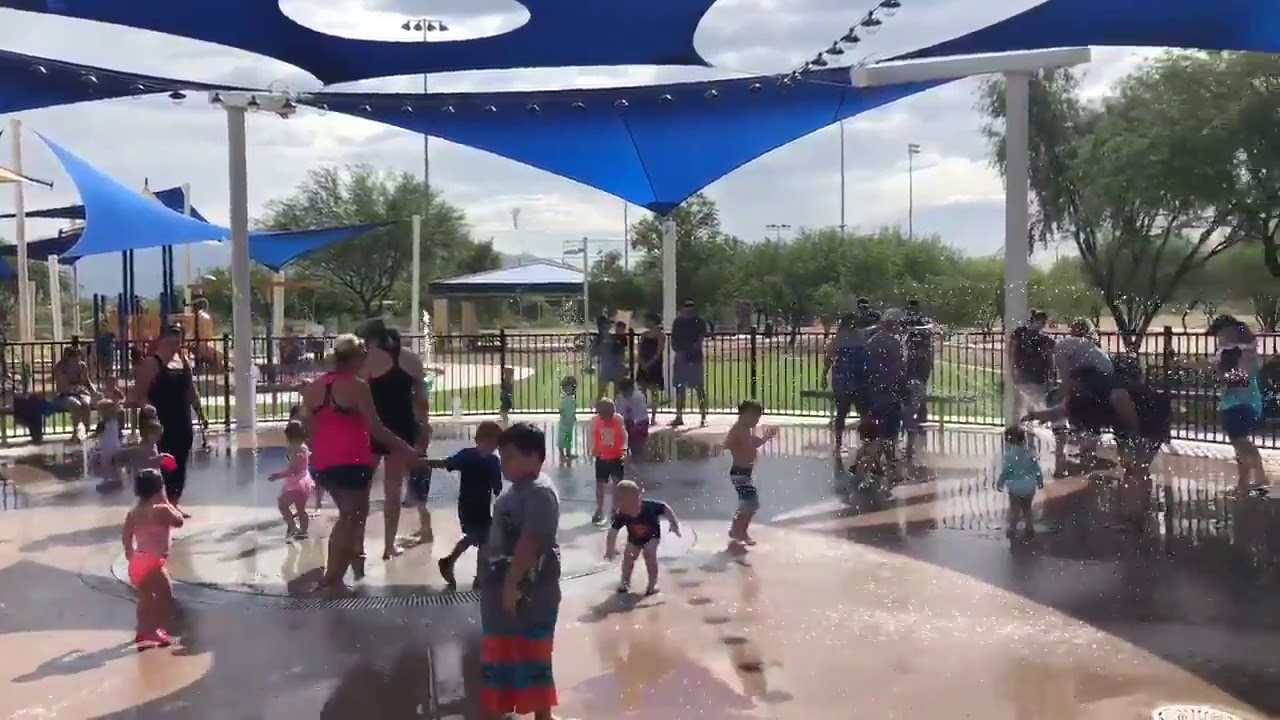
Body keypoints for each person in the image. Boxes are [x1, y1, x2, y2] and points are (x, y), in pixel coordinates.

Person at [299, 334, 417, 592]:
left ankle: (348, 565)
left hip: (324, 462)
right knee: (349, 517)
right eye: (363, 355)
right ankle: (333, 577)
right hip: (352, 460)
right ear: (354, 358)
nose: (366, 359)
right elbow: (377, 429)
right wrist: (406, 448)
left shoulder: (315, 387)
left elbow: (308, 425)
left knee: (352, 515)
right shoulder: (357, 386)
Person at [480, 422, 561, 720]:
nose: (504, 464)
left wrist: (511, 585)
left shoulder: (539, 493)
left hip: (529, 594)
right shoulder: (517, 491)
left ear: (535, 456)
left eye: (510, 456)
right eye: (503, 456)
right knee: (505, 654)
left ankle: (542, 715)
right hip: (507, 593)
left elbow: (531, 542)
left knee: (533, 651)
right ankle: (506, 710)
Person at [1026, 365, 1170, 530]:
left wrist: (1133, 435)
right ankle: (1135, 517)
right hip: (1149, 418)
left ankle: (1134, 519)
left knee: (1134, 469)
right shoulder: (1085, 394)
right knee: (1135, 469)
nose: (1066, 387)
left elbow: (1121, 398)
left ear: (1080, 382)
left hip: (1149, 420)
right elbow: (1062, 411)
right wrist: (1037, 415)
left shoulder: (1102, 388)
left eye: (1069, 384)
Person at [356, 320, 429, 561]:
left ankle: (358, 543)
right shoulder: (411, 358)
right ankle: (389, 545)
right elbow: (421, 399)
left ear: (371, 339)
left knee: (362, 487)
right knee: (393, 489)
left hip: (374, 428)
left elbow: (358, 392)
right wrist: (423, 427)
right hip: (402, 428)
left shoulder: (370, 360)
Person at [131, 324, 208, 516]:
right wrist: (146, 409)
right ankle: (160, 503)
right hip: (160, 420)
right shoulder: (151, 363)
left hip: (182, 418)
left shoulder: (183, 361)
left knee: (180, 460)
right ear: (162, 340)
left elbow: (191, 391)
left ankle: (174, 501)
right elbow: (139, 394)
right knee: (163, 461)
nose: (176, 344)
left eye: (179, 340)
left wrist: (200, 414)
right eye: (172, 340)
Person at [431, 420, 504, 590]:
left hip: (471, 506)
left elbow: (447, 463)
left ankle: (476, 574)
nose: (493, 447)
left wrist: (428, 463)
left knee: (481, 538)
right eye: (494, 443)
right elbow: (498, 487)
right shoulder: (489, 460)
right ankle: (455, 564)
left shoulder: (472, 456)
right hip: (473, 507)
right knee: (479, 537)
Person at [121, 468, 184, 648]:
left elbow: (126, 535)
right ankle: (156, 629)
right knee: (166, 597)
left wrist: (129, 552)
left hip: (138, 561)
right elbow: (179, 521)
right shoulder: (162, 509)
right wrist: (166, 501)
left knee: (145, 598)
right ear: (159, 489)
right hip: (153, 563)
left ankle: (142, 630)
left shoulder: (134, 512)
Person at [1209, 315, 1269, 495]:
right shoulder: (1238, 351)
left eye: (1220, 333)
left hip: (1240, 403)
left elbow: (1238, 378)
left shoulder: (1239, 352)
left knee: (1240, 442)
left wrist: (1223, 375)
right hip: (1241, 402)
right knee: (1242, 443)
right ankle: (1256, 478)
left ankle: (1246, 482)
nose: (1218, 337)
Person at [1007, 310, 1066, 475]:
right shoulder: (1020, 335)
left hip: (1039, 380)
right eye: (1039, 321)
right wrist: (1013, 372)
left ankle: (1046, 446)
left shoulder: (1043, 340)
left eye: (1042, 322)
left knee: (1036, 410)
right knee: (1030, 410)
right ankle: (1032, 447)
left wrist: (1053, 375)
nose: (1041, 325)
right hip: (1028, 379)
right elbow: (1012, 354)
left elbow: (1051, 358)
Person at [605, 480, 681, 595]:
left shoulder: (649, 507)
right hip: (634, 539)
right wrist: (610, 549)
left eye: (630, 504)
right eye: (622, 505)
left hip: (652, 536)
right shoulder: (622, 514)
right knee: (628, 558)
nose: (627, 509)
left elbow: (665, 508)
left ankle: (652, 584)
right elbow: (612, 532)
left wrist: (673, 523)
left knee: (649, 554)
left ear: (637, 498)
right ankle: (625, 582)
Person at [724, 400, 778, 547]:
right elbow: (728, 443)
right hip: (739, 473)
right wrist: (736, 445)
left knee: (746, 504)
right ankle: (741, 531)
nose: (756, 421)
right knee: (751, 504)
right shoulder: (738, 429)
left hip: (744, 473)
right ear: (744, 415)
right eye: (754, 418)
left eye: (758, 419)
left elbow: (753, 443)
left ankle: (736, 530)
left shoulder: (745, 430)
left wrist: (766, 438)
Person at [862, 309, 908, 470]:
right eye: (898, 324)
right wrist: (902, 389)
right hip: (889, 392)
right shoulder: (894, 344)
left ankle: (883, 461)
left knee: (880, 428)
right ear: (893, 325)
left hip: (874, 392)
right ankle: (883, 460)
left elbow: (866, 368)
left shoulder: (872, 342)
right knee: (890, 429)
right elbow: (899, 369)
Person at [822, 313, 871, 460]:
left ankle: (853, 442)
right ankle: (843, 443)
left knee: (851, 413)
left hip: (849, 379)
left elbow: (829, 359)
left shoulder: (842, 338)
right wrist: (824, 375)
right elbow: (829, 358)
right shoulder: (855, 337)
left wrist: (824, 375)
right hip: (851, 379)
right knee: (848, 413)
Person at [267, 420, 315, 540]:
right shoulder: (304, 447)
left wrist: (277, 475)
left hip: (296, 483)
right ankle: (303, 531)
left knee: (282, 504)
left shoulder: (294, 449)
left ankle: (293, 526)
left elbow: (293, 470)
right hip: (305, 481)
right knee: (301, 509)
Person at [996, 426, 1044, 540]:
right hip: (1029, 486)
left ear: (1010, 441)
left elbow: (1006, 471)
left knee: (1015, 509)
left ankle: (1013, 528)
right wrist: (1039, 481)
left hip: (1015, 487)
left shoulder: (1010, 455)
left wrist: (1000, 482)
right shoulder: (1030, 454)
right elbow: (1037, 469)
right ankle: (1029, 527)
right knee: (1027, 508)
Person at [670, 299, 709, 428]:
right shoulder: (678, 322)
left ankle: (703, 416)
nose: (689, 309)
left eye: (691, 307)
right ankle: (679, 416)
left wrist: (691, 351)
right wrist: (679, 352)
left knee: (699, 388)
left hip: (695, 358)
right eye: (686, 307)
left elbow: (700, 339)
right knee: (680, 388)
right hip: (680, 358)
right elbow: (674, 340)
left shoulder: (699, 322)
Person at [903, 306, 934, 462]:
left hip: (918, 367)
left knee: (915, 398)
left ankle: (917, 430)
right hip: (918, 368)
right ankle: (917, 431)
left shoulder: (921, 325)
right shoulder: (917, 325)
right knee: (917, 398)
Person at [589, 397, 626, 524]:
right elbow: (592, 435)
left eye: (609, 416)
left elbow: (623, 435)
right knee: (600, 485)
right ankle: (599, 509)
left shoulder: (618, 420)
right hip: (602, 458)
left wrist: (624, 448)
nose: (606, 419)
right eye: (603, 416)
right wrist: (593, 448)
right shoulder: (596, 421)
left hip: (616, 457)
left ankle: (615, 510)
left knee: (617, 485)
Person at [52, 344, 95, 441]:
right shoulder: (60, 367)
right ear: (67, 358)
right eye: (74, 357)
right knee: (75, 404)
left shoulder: (82, 366)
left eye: (78, 357)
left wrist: (95, 391)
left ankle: (86, 430)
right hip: (65, 395)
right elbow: (62, 387)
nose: (77, 360)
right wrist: (75, 389)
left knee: (86, 404)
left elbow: (87, 382)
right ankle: (75, 431)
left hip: (81, 393)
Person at [406, 423, 435, 541]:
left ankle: (427, 532)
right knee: (419, 503)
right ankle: (424, 528)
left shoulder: (420, 456)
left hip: (420, 470)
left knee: (421, 504)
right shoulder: (420, 430)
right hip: (417, 470)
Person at [635, 312, 666, 421]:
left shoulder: (660, 335)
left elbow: (658, 352)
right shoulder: (644, 335)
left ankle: (653, 416)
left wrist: (649, 363)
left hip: (654, 365)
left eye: (648, 320)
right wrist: (641, 362)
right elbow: (639, 350)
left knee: (654, 391)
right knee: (642, 391)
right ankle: (643, 415)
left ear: (653, 321)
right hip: (643, 365)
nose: (646, 322)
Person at [93, 398, 125, 491]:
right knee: (116, 464)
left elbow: (96, 433)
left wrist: (86, 437)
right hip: (116, 446)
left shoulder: (102, 423)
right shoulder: (115, 421)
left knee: (106, 465)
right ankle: (119, 480)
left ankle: (107, 481)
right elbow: (120, 434)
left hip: (106, 448)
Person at [616, 378, 649, 458]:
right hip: (627, 422)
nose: (624, 394)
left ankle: (638, 456)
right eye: (622, 391)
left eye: (625, 391)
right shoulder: (620, 398)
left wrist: (634, 427)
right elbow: (619, 414)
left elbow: (640, 416)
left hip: (640, 423)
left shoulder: (639, 397)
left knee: (637, 449)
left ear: (632, 389)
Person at [597, 319, 629, 401]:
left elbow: (624, 349)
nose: (619, 330)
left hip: (617, 367)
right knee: (601, 389)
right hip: (608, 366)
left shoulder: (623, 338)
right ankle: (599, 407)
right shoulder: (611, 337)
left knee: (618, 391)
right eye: (618, 328)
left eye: (622, 329)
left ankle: (616, 408)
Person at [557, 375, 578, 464]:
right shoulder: (564, 398)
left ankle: (568, 453)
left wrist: (573, 416)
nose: (569, 389)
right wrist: (564, 417)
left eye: (571, 387)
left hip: (570, 421)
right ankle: (562, 455)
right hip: (564, 422)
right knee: (562, 438)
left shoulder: (571, 398)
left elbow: (572, 408)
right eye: (566, 387)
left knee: (568, 438)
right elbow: (561, 409)